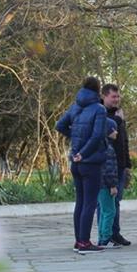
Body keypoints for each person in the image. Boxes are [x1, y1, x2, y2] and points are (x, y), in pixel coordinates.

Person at [55, 76, 109, 254]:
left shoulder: (75, 107)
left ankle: (79, 241)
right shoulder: (99, 109)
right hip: (90, 162)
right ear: (98, 90)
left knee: (80, 202)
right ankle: (85, 242)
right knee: (90, 203)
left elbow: (59, 125)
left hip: (76, 163)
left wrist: (76, 137)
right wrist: (84, 152)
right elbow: (97, 136)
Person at [100, 83, 132, 247]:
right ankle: (105, 235)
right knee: (106, 202)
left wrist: (127, 163)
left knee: (116, 200)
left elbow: (123, 140)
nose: (116, 99)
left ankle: (114, 233)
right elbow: (104, 132)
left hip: (119, 164)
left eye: (118, 96)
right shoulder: (100, 112)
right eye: (113, 96)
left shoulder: (119, 114)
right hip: (105, 165)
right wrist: (118, 120)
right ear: (104, 96)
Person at [97, 119, 122, 248]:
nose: (116, 132)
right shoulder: (109, 148)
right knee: (110, 211)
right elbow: (109, 169)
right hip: (106, 185)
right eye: (114, 129)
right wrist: (113, 185)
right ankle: (105, 237)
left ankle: (101, 236)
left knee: (103, 211)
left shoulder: (100, 146)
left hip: (99, 184)